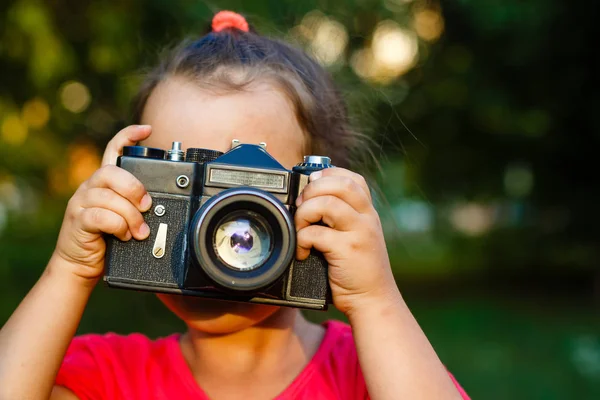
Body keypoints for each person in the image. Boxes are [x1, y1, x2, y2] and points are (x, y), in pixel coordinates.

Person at [0, 11, 470, 400]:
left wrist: (376, 302)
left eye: (250, 193)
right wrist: (67, 271)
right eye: (187, 186)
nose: (220, 229)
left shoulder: (371, 374)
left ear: (325, 197)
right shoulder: (105, 377)